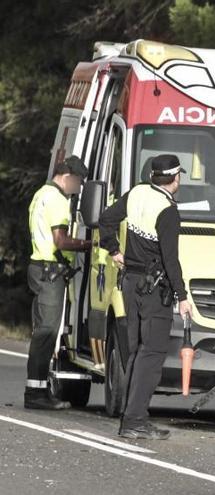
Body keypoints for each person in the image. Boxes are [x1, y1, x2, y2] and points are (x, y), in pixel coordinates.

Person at [99, 154, 193, 439]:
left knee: (138, 351)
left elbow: (105, 219)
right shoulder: (167, 210)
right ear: (175, 178)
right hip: (155, 290)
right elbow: (170, 259)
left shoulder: (137, 192)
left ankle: (132, 417)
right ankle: (135, 420)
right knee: (151, 354)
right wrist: (183, 296)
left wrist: (114, 250)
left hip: (131, 282)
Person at [24, 156, 93, 409]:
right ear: (68, 177)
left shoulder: (41, 193)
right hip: (49, 270)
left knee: (43, 331)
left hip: (38, 268)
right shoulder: (58, 200)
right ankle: (36, 394)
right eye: (78, 182)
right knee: (46, 333)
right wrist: (89, 245)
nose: (78, 188)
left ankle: (37, 390)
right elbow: (60, 240)